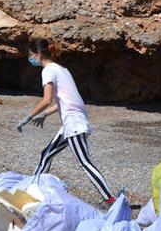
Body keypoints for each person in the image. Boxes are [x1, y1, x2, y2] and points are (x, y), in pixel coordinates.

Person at [16, 38, 115, 205]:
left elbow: (47, 99)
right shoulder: (62, 70)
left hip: (73, 123)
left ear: (38, 54)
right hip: (71, 121)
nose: (30, 58)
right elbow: (65, 101)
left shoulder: (47, 70)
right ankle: (31, 190)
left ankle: (110, 199)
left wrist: (29, 117)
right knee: (46, 154)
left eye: (31, 54)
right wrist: (45, 115)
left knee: (85, 162)